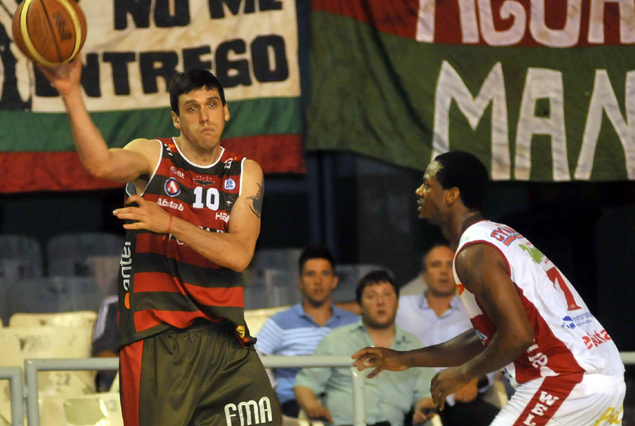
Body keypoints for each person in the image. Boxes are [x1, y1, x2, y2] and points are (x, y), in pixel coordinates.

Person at [40, 61, 280, 426]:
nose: (204, 116)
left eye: (212, 104)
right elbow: (101, 165)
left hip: (225, 340)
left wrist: (169, 223)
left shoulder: (245, 171)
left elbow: (239, 254)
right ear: (176, 119)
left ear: (226, 112)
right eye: (192, 108)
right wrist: (71, 92)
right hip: (157, 336)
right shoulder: (153, 156)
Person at [353, 151, 625, 426]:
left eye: (427, 184)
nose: (419, 191)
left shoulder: (474, 254)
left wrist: (463, 374)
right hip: (601, 375)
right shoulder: (497, 235)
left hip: (565, 380)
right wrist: (407, 359)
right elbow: (492, 334)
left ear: (451, 195)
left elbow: (517, 336)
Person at [294, 270, 437, 426]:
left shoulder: (413, 345)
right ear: (360, 306)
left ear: (397, 303)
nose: (380, 302)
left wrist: (423, 409)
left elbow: (425, 392)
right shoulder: (336, 339)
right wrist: (313, 408)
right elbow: (305, 384)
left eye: (387, 295)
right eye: (371, 296)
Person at [396, 243, 499, 426]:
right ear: (423, 276)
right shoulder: (401, 307)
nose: (444, 271)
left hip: (461, 398)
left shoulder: (475, 310)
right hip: (414, 401)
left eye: (450, 265)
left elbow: (494, 352)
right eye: (436, 265)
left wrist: (474, 379)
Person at [255, 244, 359, 417]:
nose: (318, 281)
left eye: (325, 274)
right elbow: (255, 361)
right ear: (300, 282)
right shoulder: (280, 322)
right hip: (292, 405)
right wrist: (272, 397)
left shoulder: (353, 322)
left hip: (347, 401)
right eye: (310, 274)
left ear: (334, 280)